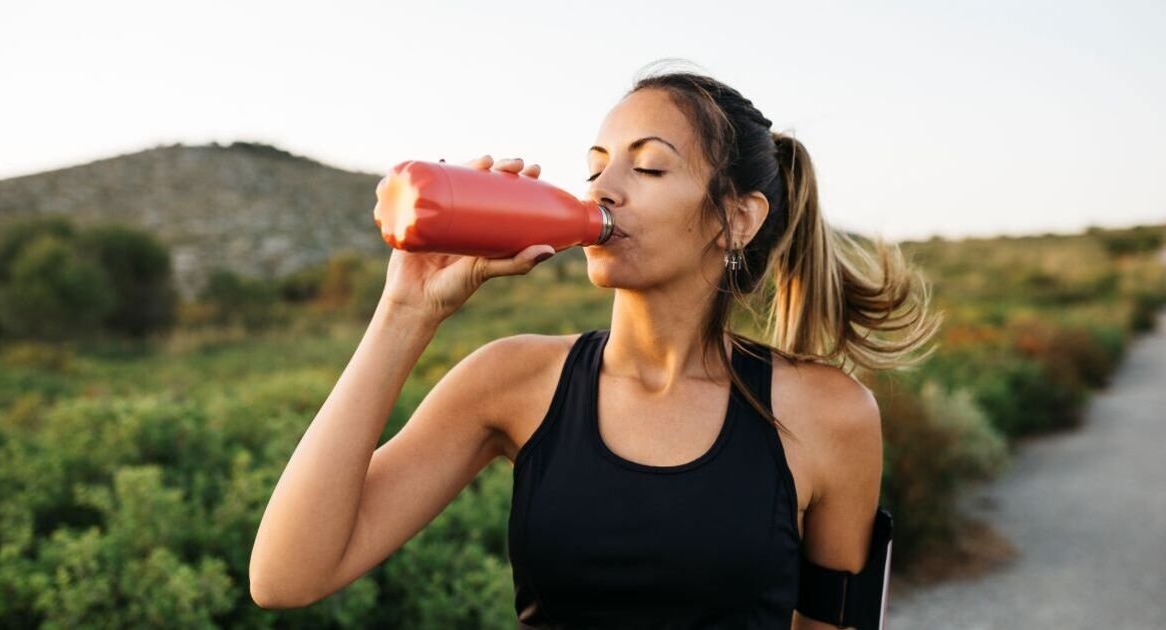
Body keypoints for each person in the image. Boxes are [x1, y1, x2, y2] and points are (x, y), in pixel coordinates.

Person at [249, 63, 942, 628]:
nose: (603, 190)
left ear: (735, 218)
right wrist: (406, 309)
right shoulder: (512, 380)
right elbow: (287, 576)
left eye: (648, 169)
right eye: (596, 164)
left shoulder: (828, 414)